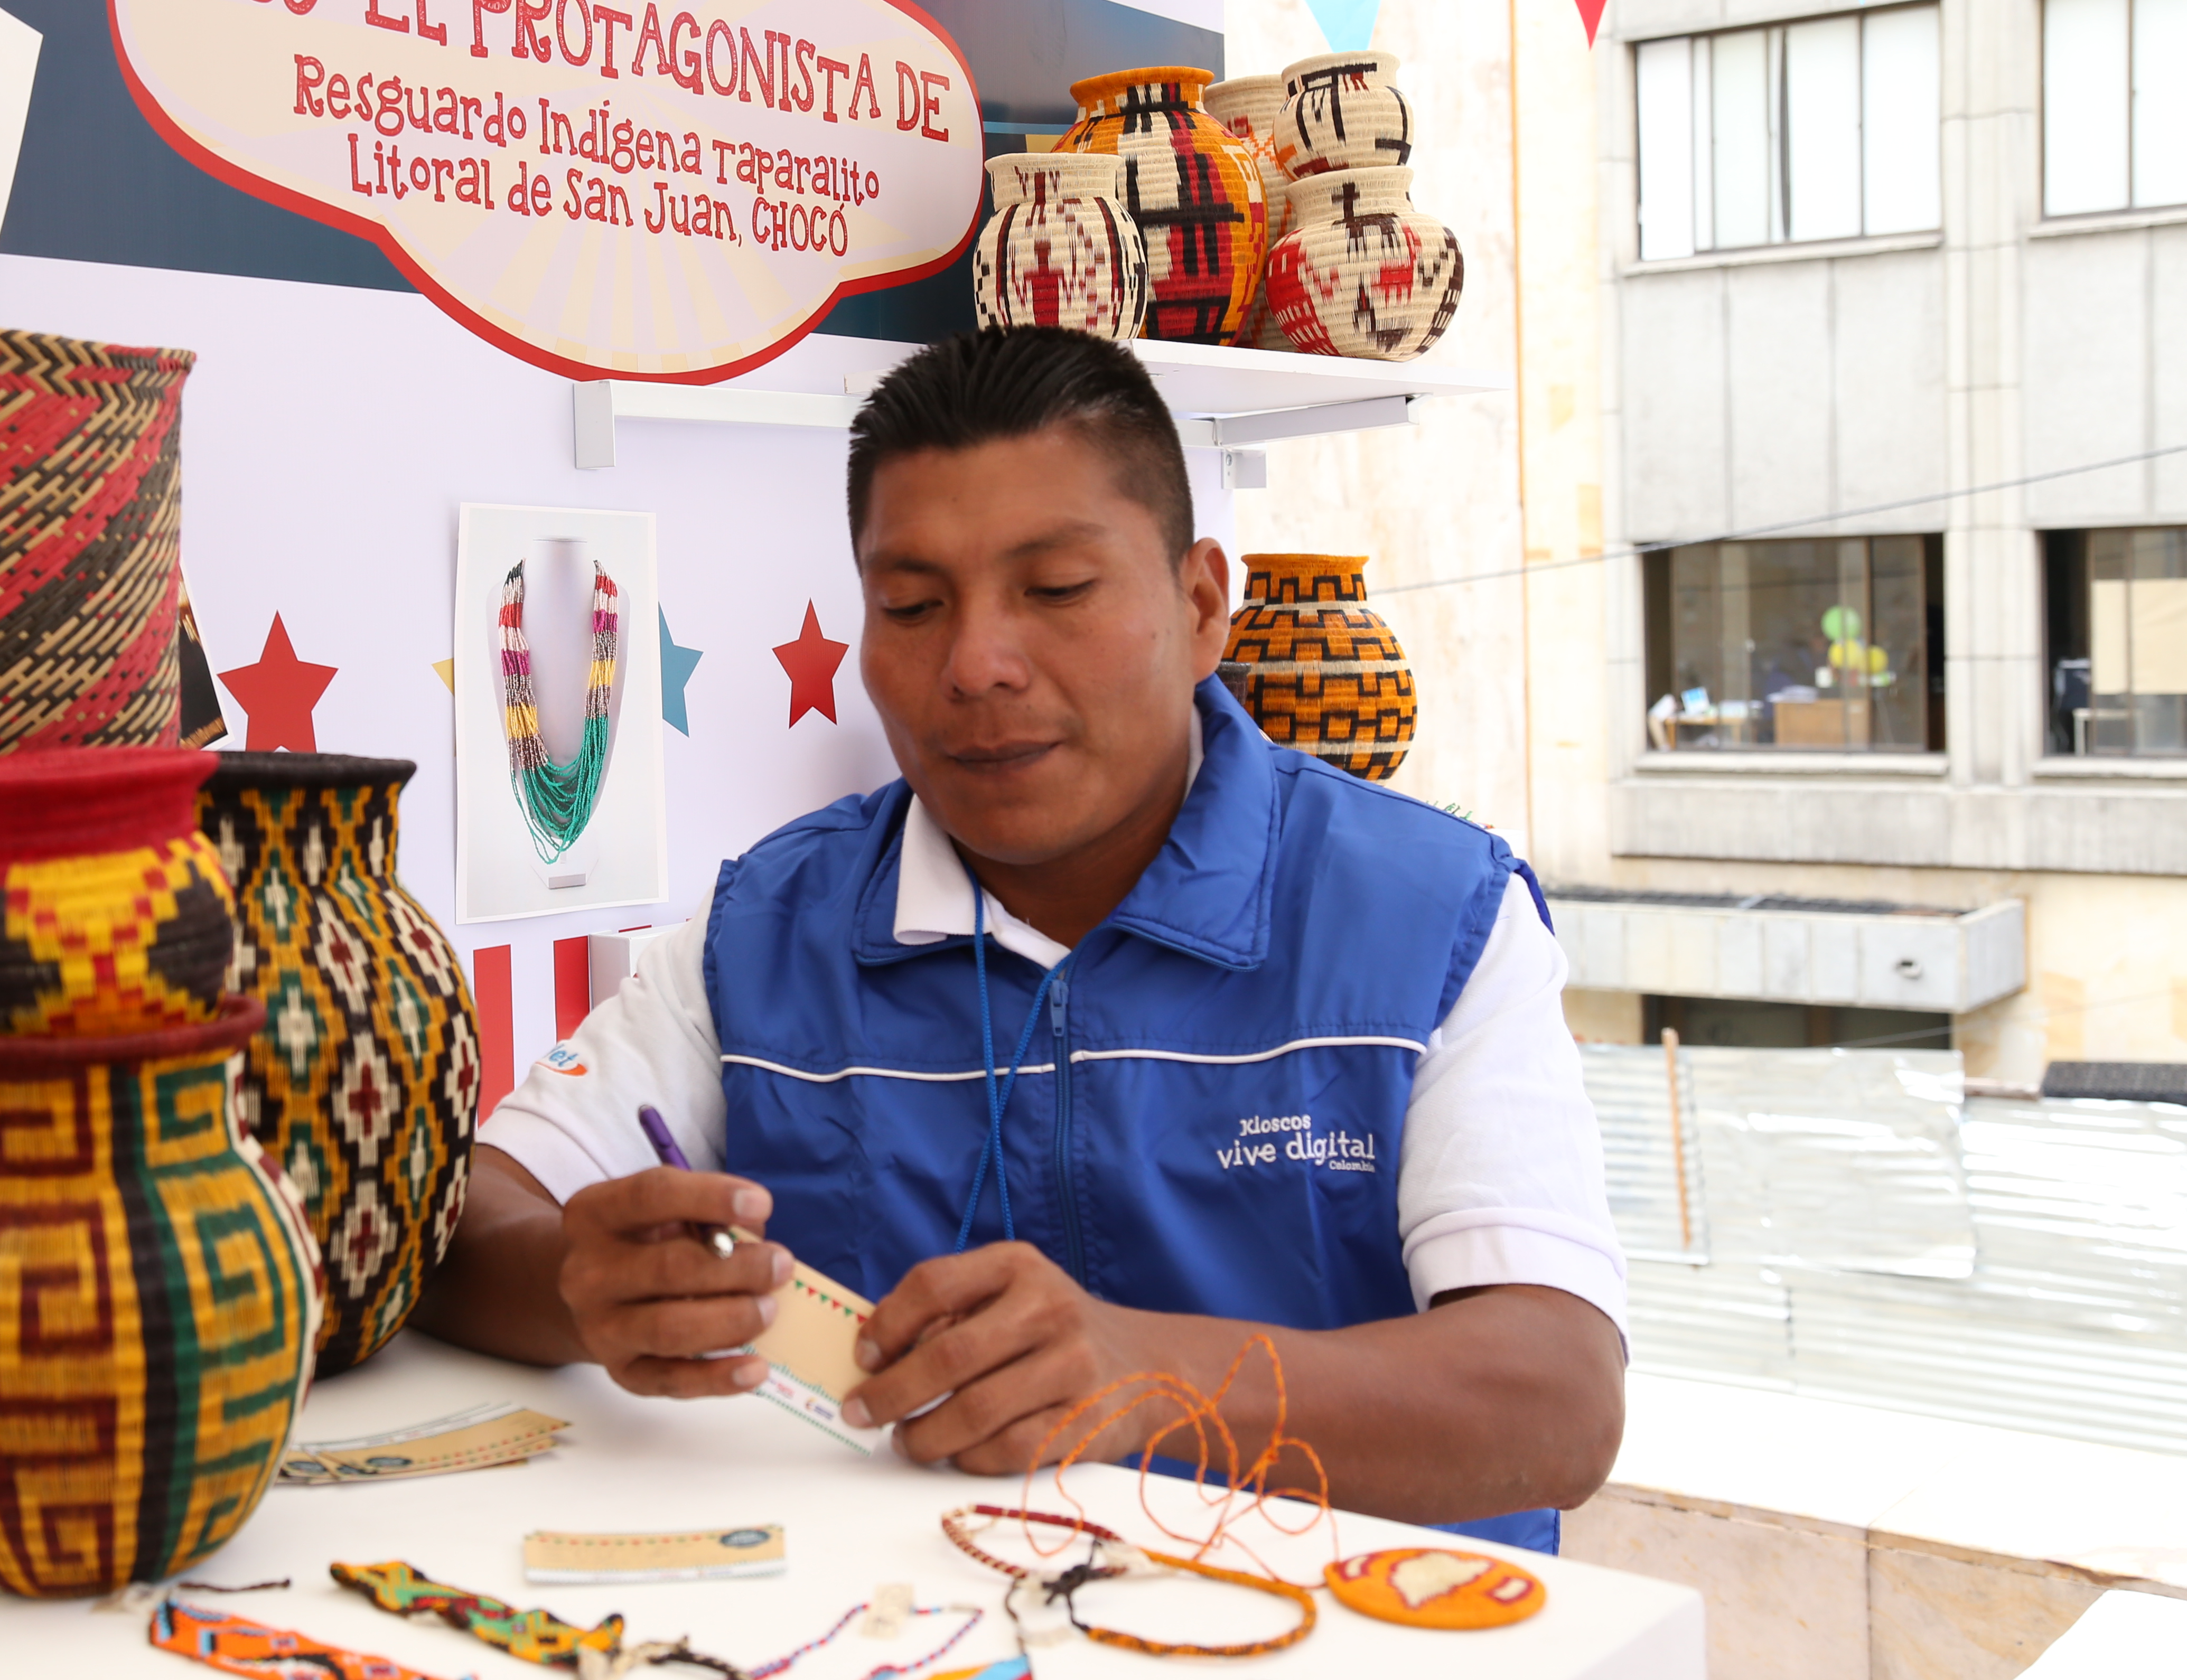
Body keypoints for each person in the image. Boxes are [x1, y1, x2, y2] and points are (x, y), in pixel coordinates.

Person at [415, 326, 1625, 1553]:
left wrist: (1141, 1374)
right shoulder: (765, 931)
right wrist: (583, 1288)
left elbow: (1555, 1398)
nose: (977, 665)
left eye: (1055, 590)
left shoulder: (1429, 915)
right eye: (912, 605)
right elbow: (461, 1222)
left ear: (1202, 603)